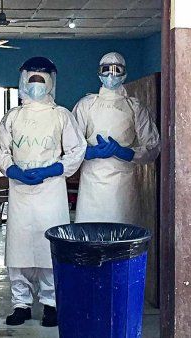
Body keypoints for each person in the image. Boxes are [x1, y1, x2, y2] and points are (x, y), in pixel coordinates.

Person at [0, 57, 86, 327]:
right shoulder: (12, 117)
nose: (35, 84)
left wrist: (53, 170)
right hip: (20, 190)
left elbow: (77, 149)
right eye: (31, 79)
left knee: (49, 247)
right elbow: (0, 151)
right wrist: (12, 170)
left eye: (41, 79)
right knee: (19, 248)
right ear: (23, 80)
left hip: (51, 190)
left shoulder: (61, 115)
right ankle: (20, 303)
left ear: (50, 83)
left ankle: (51, 304)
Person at [73, 52, 160, 224]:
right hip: (92, 185)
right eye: (106, 70)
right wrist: (89, 152)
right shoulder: (86, 106)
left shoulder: (135, 107)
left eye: (117, 70)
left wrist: (126, 153)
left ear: (124, 74)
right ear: (99, 73)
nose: (111, 75)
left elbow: (153, 147)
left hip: (123, 185)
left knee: (123, 236)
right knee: (91, 237)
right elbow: (70, 145)